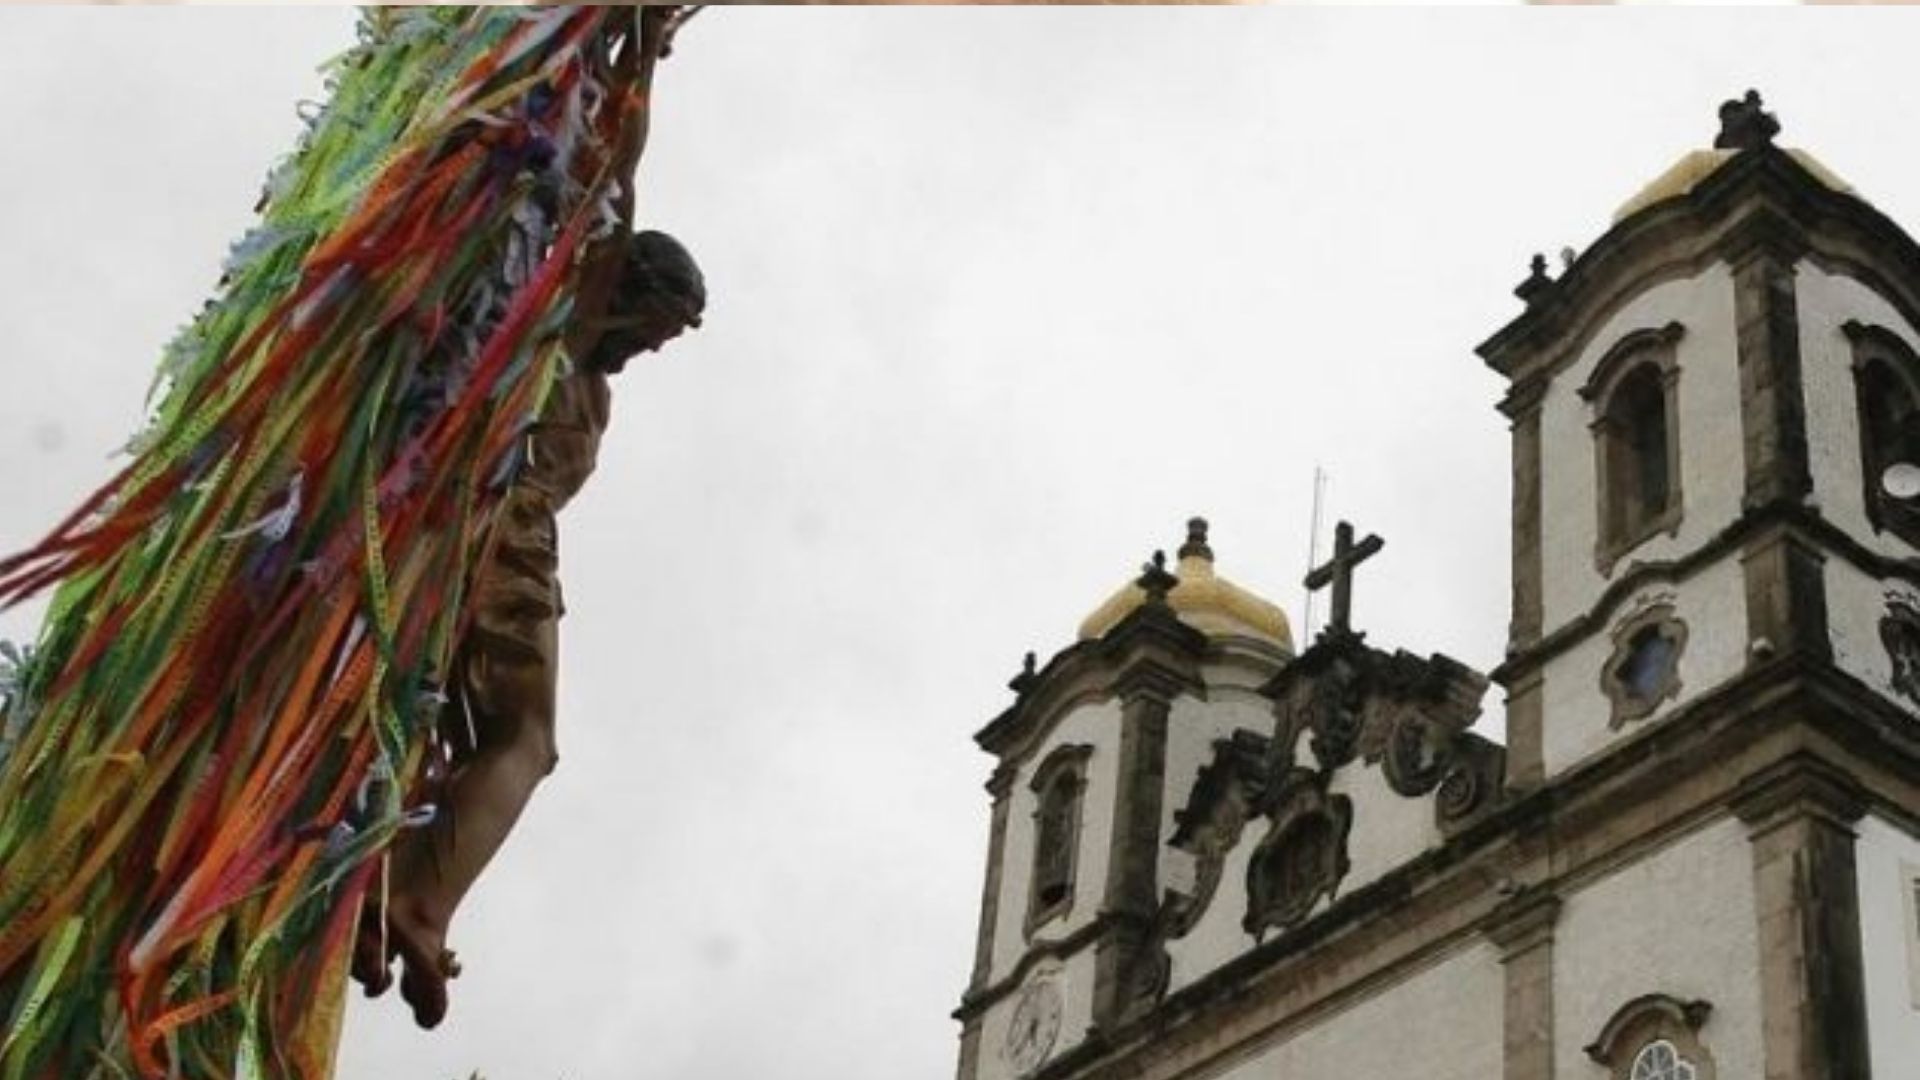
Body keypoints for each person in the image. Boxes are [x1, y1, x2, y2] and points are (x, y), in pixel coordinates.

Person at [351, 7, 703, 1029]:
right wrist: (640, 57)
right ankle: (416, 900)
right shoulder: (567, 324)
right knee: (524, 733)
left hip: (485, 533)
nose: (654, 348)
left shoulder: (589, 373)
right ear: (629, 290)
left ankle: (389, 883)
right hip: (501, 523)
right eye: (660, 326)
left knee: (452, 722)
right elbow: (614, 168)